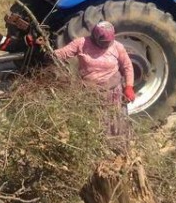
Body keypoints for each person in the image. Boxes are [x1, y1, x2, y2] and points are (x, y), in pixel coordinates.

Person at [48, 21, 135, 149]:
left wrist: (129, 87)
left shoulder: (117, 47)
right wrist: (44, 48)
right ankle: (94, 149)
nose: (106, 45)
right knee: (93, 122)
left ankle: (116, 149)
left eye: (108, 43)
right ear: (95, 37)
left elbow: (127, 66)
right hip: (90, 92)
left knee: (114, 123)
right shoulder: (81, 43)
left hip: (113, 92)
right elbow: (62, 54)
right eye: (103, 43)